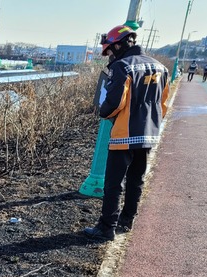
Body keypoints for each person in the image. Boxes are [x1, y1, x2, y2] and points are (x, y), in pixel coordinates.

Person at [83, 24, 170, 241]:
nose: (109, 55)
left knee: (113, 183)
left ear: (119, 44)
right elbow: (164, 104)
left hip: (124, 134)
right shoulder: (161, 68)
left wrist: (103, 111)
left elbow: (114, 103)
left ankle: (106, 227)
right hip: (148, 134)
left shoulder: (122, 67)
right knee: (136, 179)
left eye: (110, 50)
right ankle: (127, 220)